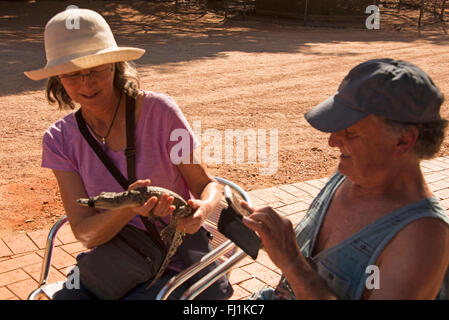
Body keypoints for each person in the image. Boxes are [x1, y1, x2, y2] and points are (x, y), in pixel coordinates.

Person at [24, 8, 232, 300]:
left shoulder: (161, 111)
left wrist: (204, 209)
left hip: (179, 256)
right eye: (73, 74)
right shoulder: (58, 140)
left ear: (114, 64)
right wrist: (127, 208)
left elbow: (207, 185)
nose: (87, 83)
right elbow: (85, 232)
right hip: (119, 255)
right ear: (57, 78)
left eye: (96, 68)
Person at [242, 58, 449, 300]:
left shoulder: (423, 238)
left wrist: (292, 263)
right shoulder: (349, 176)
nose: (332, 141)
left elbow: (297, 264)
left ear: (403, 140)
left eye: (350, 131)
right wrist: (272, 239)